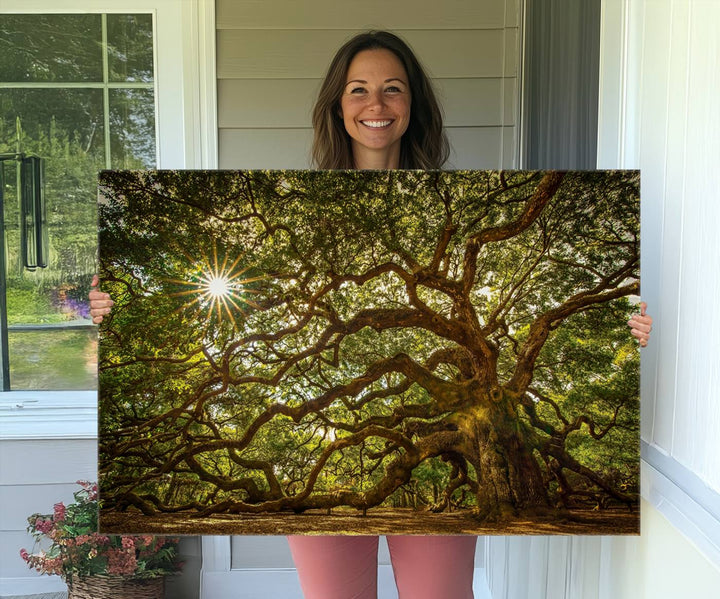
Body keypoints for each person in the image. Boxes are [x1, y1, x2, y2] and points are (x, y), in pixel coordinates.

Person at [89, 30, 653, 599]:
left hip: (435, 424)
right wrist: (123, 303)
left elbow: (520, 311)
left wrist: (620, 332)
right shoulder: (300, 210)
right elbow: (221, 302)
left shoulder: (469, 202)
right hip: (320, 440)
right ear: (338, 105)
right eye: (358, 90)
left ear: (413, 105)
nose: (376, 105)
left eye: (392, 89)